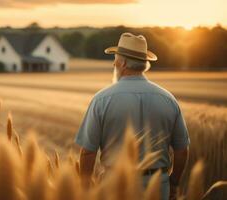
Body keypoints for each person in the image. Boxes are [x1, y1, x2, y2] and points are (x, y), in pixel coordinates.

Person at [75, 32, 190, 200]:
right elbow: (182, 150)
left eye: (115, 60)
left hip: (114, 187)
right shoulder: (168, 99)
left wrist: (85, 189)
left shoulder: (101, 100)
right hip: (158, 187)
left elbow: (87, 152)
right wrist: (173, 183)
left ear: (123, 64)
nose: (114, 63)